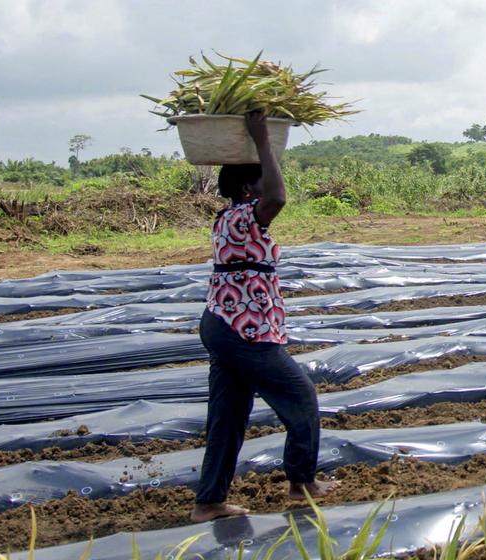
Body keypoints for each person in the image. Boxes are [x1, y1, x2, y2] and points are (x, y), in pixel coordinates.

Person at [191, 113, 337, 523]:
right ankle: (301, 481)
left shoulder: (230, 220)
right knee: (302, 397)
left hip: (227, 325)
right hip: (242, 330)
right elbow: (278, 197)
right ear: (245, 189)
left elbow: (271, 196)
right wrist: (262, 141)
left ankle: (209, 501)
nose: (266, 187)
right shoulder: (243, 216)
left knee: (228, 416)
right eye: (258, 180)